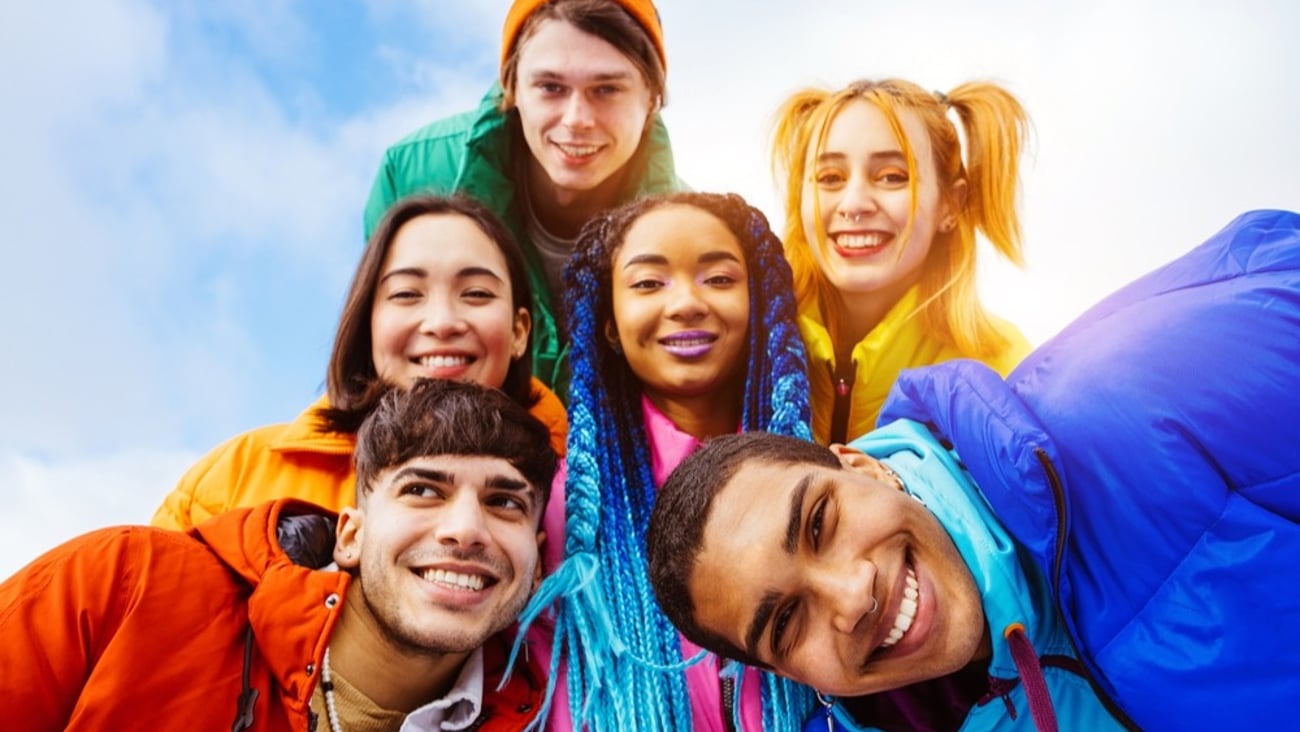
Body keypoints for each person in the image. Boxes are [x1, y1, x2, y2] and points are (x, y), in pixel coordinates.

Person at [646, 209, 1300, 731]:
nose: (851, 598)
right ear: (790, 675)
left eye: (820, 523)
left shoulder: (1150, 389)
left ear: (859, 465)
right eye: (787, 623)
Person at [1, 378, 559, 731]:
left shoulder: (541, 718)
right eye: (423, 490)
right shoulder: (125, 586)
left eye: (504, 501)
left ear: (536, 564)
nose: (465, 530)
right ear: (350, 536)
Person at [516, 191, 817, 731]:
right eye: (649, 283)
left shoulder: (822, 479)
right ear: (609, 323)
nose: (685, 304)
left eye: (719, 279)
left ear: (760, 304)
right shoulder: (570, 513)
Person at [152, 194, 567, 531]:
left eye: (476, 293)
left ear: (519, 331)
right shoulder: (237, 478)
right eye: (407, 294)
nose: (442, 322)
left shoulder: (583, 496)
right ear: (368, 323)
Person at [365, 0, 684, 396]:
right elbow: (377, 356)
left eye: (607, 89)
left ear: (652, 98)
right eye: (551, 88)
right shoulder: (415, 173)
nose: (576, 119)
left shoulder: (693, 234)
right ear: (511, 86)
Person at [771, 78, 1032, 444]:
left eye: (892, 177)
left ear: (950, 204)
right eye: (830, 178)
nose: (854, 204)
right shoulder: (749, 339)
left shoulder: (1002, 369)